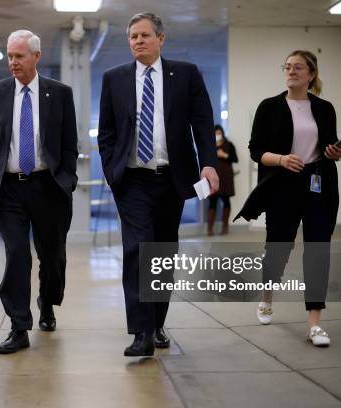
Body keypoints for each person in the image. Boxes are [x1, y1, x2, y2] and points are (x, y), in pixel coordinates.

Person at [98, 13, 219, 357]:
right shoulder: (114, 79)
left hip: (172, 179)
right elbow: (107, 133)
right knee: (137, 250)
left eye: (145, 35)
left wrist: (208, 163)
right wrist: (112, 171)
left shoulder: (185, 74)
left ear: (161, 39)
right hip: (132, 180)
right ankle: (141, 332)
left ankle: (157, 322)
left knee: (163, 253)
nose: (138, 41)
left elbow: (202, 121)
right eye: (133, 36)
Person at [0, 30, 78, 354]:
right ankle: (19, 326)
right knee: (17, 255)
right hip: (9, 190)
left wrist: (68, 178)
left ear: (36, 56)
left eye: (19, 56)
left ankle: (47, 304)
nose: (13, 62)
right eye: (9, 56)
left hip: (49, 186)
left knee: (52, 258)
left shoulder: (59, 93)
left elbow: (69, 142)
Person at [235, 50, 341, 347]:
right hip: (282, 185)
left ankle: (315, 324)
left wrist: (336, 151)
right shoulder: (269, 107)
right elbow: (256, 150)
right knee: (278, 247)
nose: (291, 71)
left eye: (298, 68)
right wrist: (282, 160)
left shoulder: (324, 108)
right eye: (287, 67)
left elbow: (329, 146)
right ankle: (267, 297)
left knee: (319, 248)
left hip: (319, 184)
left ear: (311, 74)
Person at [208, 125, 238, 236]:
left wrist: (224, 155)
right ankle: (210, 229)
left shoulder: (229, 145)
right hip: (214, 177)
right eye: (215, 133)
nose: (217, 135)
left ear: (222, 133)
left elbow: (235, 159)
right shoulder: (210, 146)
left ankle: (225, 227)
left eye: (219, 133)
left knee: (226, 201)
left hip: (226, 178)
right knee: (212, 202)